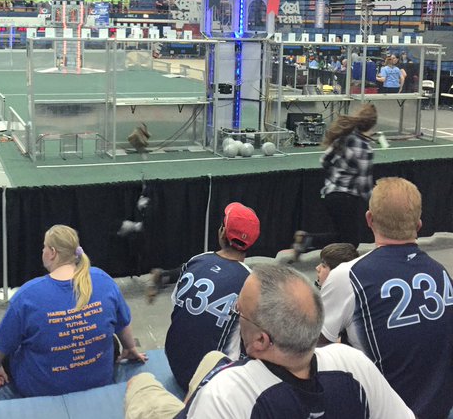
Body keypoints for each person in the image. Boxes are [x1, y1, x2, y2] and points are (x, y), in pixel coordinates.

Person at [125, 264, 413, 419]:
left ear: (261, 340)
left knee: (140, 384)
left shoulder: (228, 393)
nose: (237, 316)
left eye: (240, 312)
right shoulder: (353, 364)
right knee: (214, 359)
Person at [320, 177, 453, 419]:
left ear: (369, 219)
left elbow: (311, 348)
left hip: (383, 410)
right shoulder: (442, 274)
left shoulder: (348, 276)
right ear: (419, 224)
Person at [0, 225, 146, 399]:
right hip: (99, 380)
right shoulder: (102, 279)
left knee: (9, 353)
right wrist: (130, 348)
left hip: (42, 389)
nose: (42, 251)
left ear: (52, 252)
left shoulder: (28, 295)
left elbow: (2, 343)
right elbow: (122, 323)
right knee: (111, 341)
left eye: (44, 247)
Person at [163, 203, 259, 390]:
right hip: (212, 380)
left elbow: (177, 308)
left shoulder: (197, 260)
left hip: (174, 362)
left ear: (222, 233)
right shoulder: (251, 282)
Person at [293, 104, 376, 257]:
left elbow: (324, 160)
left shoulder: (344, 138)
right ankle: (308, 240)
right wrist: (376, 206)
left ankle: (308, 241)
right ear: (372, 125)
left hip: (330, 194)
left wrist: (335, 176)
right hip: (346, 198)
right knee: (350, 242)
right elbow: (364, 186)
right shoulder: (365, 148)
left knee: (343, 237)